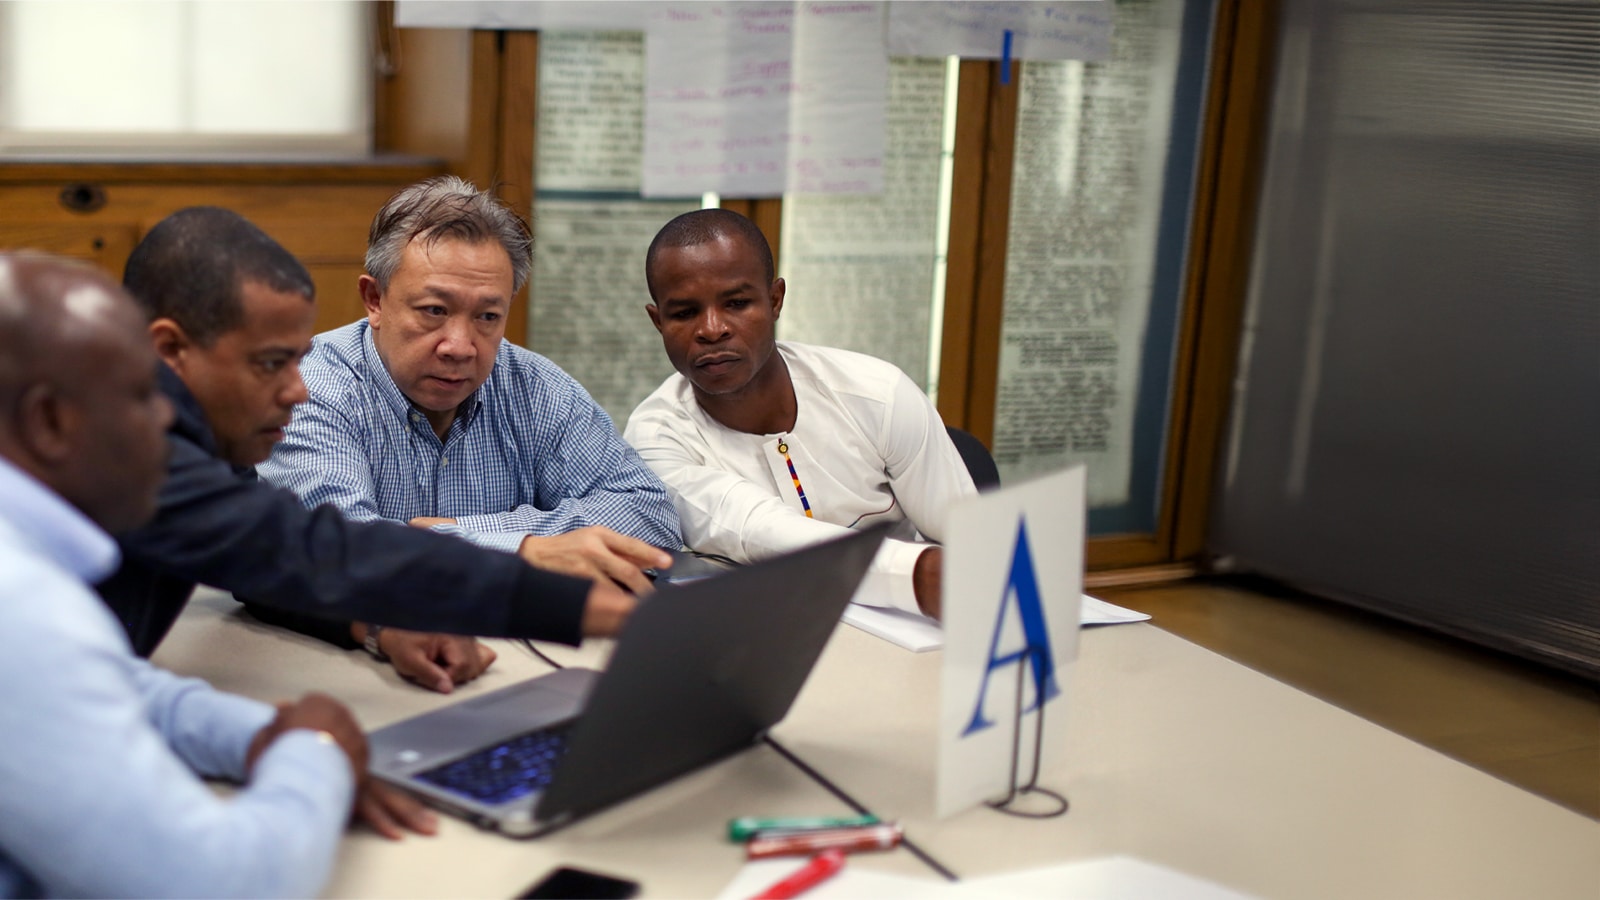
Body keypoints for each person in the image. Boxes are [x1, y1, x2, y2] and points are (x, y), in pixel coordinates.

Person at [97, 206, 639, 697]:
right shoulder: (128, 457)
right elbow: (321, 548)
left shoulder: (195, 445)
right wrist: (595, 610)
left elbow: (269, 564)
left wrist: (377, 625)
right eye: (269, 364)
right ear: (170, 350)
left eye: (487, 316)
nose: (297, 389)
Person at [0, 251, 397, 897]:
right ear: (49, 421)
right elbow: (224, 884)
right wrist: (315, 754)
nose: (163, 420)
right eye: (137, 396)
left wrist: (262, 737)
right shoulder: (23, 606)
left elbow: (112, 681)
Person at [257, 176, 681, 611]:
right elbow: (336, 551)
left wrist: (464, 534)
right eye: (434, 311)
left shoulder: (532, 387)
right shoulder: (311, 389)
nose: (460, 346)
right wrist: (525, 552)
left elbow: (649, 516)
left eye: (487, 316)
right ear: (375, 299)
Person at [625, 209, 976, 620]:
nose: (712, 329)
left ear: (775, 300)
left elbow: (973, 540)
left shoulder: (877, 394)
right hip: (765, 644)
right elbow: (759, 530)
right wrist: (913, 573)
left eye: (737, 303)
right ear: (658, 321)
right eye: (684, 313)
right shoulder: (655, 437)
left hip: (912, 641)